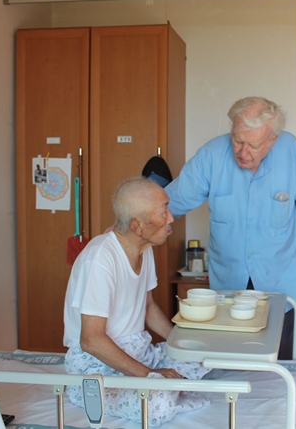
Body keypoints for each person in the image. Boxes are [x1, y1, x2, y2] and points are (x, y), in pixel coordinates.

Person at [165, 96, 296, 360]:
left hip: (284, 289)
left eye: (253, 145)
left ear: (272, 140)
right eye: (237, 141)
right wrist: (133, 226)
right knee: (233, 368)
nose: (243, 152)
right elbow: (172, 201)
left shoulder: (291, 152)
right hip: (229, 291)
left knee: (287, 372)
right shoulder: (211, 155)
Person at [63, 177, 211, 426]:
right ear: (137, 226)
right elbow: (91, 340)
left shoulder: (144, 248)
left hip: (138, 352)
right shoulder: (101, 259)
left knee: (204, 355)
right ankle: (88, 392)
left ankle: (170, 386)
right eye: (163, 210)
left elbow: (148, 308)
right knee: (158, 405)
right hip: (98, 364)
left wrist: (182, 342)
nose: (171, 218)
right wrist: (152, 375)